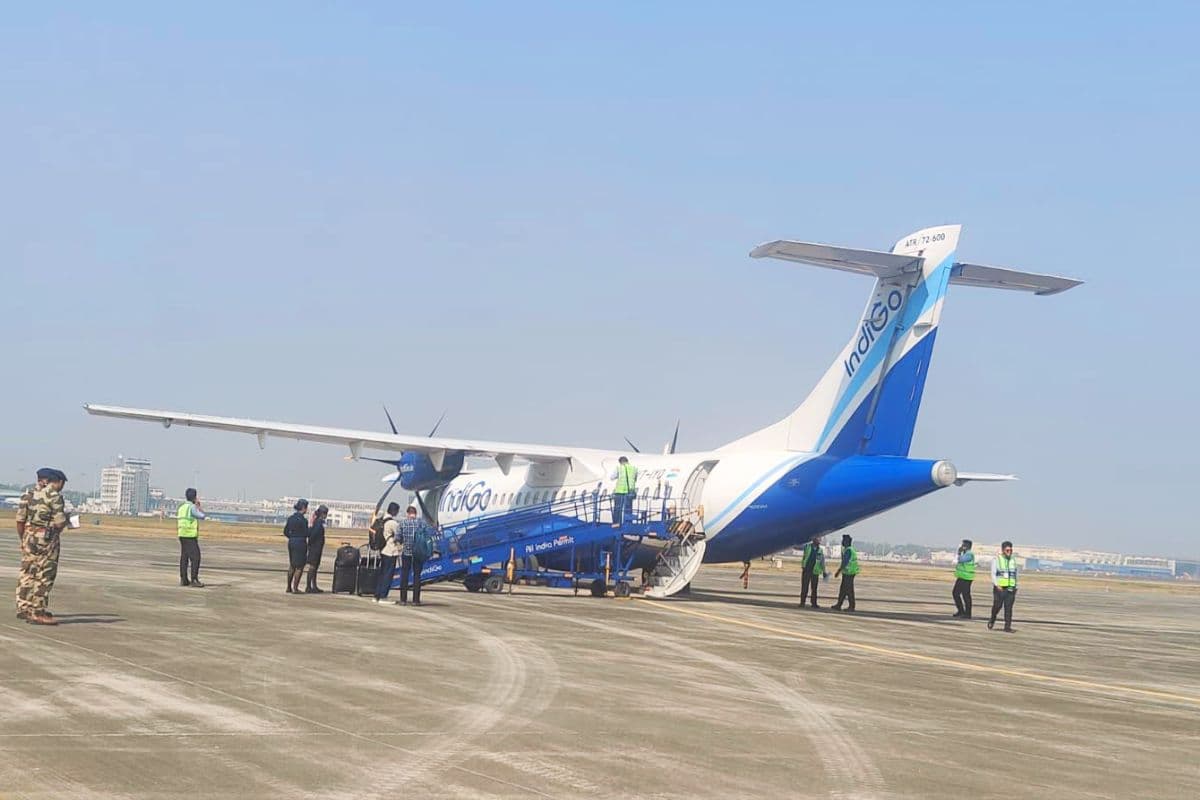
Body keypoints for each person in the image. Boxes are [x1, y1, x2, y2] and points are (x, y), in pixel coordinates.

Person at [17, 469, 68, 625]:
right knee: (45, 574)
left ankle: (24, 607)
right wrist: (67, 521)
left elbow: (20, 520)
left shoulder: (31, 494)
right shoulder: (54, 496)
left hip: (30, 536)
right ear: (59, 482)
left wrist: (23, 539)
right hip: (46, 538)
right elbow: (59, 522)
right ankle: (38, 612)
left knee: (28, 572)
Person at [397, 505, 434, 606]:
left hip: (406, 553)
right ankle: (416, 600)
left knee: (404, 575)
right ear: (416, 514)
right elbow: (428, 536)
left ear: (407, 513)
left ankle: (403, 600)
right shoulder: (422, 523)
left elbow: (398, 538)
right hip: (418, 553)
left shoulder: (403, 523)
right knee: (417, 576)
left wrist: (403, 541)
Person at [177, 488, 207, 588]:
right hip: (190, 535)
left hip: (182, 534)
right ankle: (194, 579)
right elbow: (202, 516)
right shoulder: (192, 507)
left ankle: (184, 579)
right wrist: (198, 506)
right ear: (194, 497)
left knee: (184, 557)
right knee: (196, 557)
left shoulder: (181, 507)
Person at [988, 540, 1019, 632]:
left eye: (1011, 550)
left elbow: (1015, 574)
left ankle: (1007, 627)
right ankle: (992, 618)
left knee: (1008, 608)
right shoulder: (997, 560)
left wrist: (1016, 586)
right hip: (1000, 588)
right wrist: (996, 584)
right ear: (1003, 550)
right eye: (1007, 550)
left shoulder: (1013, 560)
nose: (1009, 552)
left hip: (1011, 588)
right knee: (997, 606)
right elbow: (993, 574)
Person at [374, 502, 401, 603]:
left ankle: (377, 595)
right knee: (388, 575)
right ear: (394, 511)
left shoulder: (381, 520)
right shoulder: (393, 523)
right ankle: (383, 596)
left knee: (382, 573)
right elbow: (399, 535)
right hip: (390, 551)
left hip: (382, 550)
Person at [283, 499, 310, 594]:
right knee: (300, 567)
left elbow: (285, 532)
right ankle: (295, 588)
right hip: (300, 542)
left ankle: (288, 587)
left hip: (292, 542)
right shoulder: (303, 520)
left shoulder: (291, 518)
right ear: (303, 508)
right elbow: (307, 533)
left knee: (292, 565)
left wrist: (292, 537)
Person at [303, 505, 328, 593]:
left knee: (315, 567)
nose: (326, 515)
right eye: (325, 513)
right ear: (322, 514)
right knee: (313, 567)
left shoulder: (317, 522)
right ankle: (308, 586)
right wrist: (312, 544)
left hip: (316, 547)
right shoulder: (318, 523)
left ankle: (314, 586)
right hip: (315, 548)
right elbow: (313, 535)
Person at [832, 534, 859, 612]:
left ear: (846, 542)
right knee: (843, 589)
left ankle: (851, 606)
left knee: (849, 590)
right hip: (848, 572)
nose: (842, 542)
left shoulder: (848, 550)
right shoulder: (849, 550)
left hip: (849, 573)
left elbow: (845, 562)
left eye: (843, 541)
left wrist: (838, 571)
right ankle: (839, 605)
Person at [798, 535, 825, 608]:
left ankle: (814, 603)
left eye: (819, 540)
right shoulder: (807, 547)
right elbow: (799, 546)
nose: (819, 541)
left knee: (814, 588)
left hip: (815, 571)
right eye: (818, 539)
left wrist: (824, 571)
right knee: (804, 587)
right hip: (807, 569)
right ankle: (802, 602)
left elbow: (822, 561)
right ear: (813, 540)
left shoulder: (820, 550)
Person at [611, 456, 638, 527]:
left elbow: (612, 477)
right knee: (628, 508)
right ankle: (628, 523)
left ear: (621, 462)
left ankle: (616, 523)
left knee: (618, 508)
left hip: (620, 491)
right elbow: (635, 479)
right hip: (630, 491)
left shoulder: (619, 468)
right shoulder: (634, 468)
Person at [952, 539, 976, 618]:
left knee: (966, 595)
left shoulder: (969, 554)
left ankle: (967, 613)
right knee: (955, 593)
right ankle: (961, 611)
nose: (962, 546)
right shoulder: (965, 553)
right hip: (962, 576)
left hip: (967, 577)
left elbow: (961, 560)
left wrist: (959, 552)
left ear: (967, 546)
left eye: (963, 545)